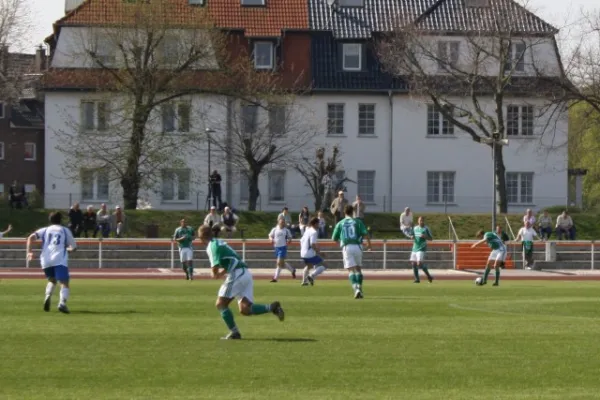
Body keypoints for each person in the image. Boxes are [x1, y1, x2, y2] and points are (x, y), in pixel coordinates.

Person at [198, 225, 284, 340]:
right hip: (245, 273)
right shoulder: (218, 242)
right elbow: (232, 260)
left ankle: (235, 333)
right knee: (245, 309)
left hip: (237, 273)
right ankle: (272, 307)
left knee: (220, 304)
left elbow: (215, 266)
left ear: (201, 237)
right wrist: (221, 273)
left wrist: (215, 274)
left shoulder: (211, 246)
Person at [25, 212, 77, 314]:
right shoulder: (65, 230)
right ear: (60, 220)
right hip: (59, 259)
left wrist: (29, 252)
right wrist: (68, 249)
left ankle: (48, 296)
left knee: (52, 280)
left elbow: (31, 237)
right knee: (64, 282)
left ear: (50, 220)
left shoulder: (45, 230)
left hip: (45, 259)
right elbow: (74, 247)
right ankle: (62, 303)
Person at [332, 204, 371, 299]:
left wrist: (341, 242)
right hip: (358, 246)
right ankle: (360, 289)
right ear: (353, 212)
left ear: (344, 212)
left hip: (347, 247)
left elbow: (334, 238)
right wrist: (369, 244)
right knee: (358, 269)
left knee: (350, 270)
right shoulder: (358, 222)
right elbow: (366, 234)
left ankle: (356, 289)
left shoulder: (340, 223)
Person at [299, 217, 328, 286]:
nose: (319, 225)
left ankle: (304, 282)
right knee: (324, 265)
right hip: (309, 253)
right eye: (318, 223)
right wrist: (320, 253)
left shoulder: (308, 230)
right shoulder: (314, 232)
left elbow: (301, 240)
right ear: (315, 224)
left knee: (309, 266)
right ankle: (311, 276)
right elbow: (312, 244)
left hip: (303, 253)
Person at [268, 217, 296, 282]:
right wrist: (271, 239)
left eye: (283, 222)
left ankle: (275, 278)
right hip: (276, 247)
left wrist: (289, 240)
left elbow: (290, 238)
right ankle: (292, 270)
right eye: (281, 222)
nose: (282, 223)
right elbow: (270, 236)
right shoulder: (274, 229)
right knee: (282, 263)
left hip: (283, 247)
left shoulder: (286, 230)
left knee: (278, 263)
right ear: (278, 222)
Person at [409, 216, 434, 284]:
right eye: (420, 220)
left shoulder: (426, 228)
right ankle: (417, 279)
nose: (421, 222)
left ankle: (429, 276)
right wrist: (411, 236)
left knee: (419, 263)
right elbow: (412, 235)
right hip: (415, 248)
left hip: (421, 248)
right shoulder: (415, 228)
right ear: (418, 221)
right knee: (413, 263)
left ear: (424, 221)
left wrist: (425, 237)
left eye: (422, 220)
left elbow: (431, 238)